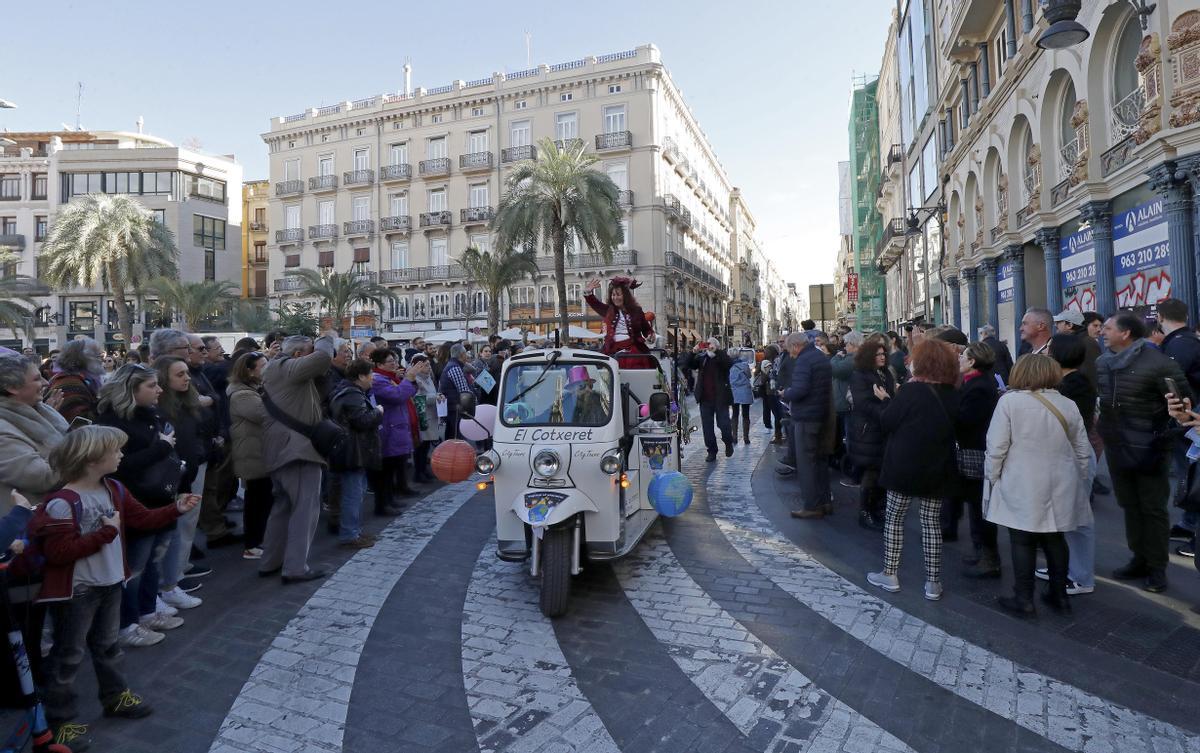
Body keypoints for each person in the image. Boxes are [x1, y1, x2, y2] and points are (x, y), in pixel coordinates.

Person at [30, 425, 199, 740]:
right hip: (76, 591)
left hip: (109, 584)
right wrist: (106, 533)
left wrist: (175, 509)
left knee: (108, 647)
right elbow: (59, 553)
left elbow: (143, 519)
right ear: (92, 459)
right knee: (68, 657)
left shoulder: (115, 489)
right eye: (116, 450)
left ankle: (115, 697)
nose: (122, 455)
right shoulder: (62, 502)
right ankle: (60, 722)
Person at [985, 355, 1092, 616]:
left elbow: (996, 447)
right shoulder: (1067, 404)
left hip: (1022, 479)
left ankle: (1023, 597)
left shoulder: (1009, 402)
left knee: (1022, 539)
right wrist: (1081, 477)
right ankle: (1059, 594)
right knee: (1055, 537)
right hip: (1061, 480)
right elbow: (1082, 449)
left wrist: (992, 477)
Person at [96, 364, 188, 649]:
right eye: (151, 386)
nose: (159, 390)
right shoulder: (114, 422)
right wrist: (161, 448)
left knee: (153, 561)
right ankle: (128, 623)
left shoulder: (152, 414)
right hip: (137, 503)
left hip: (161, 498)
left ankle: (148, 611)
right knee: (135, 566)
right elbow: (118, 468)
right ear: (130, 389)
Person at [1096, 312, 1187, 593]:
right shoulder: (1102, 362)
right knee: (1129, 505)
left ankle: (1156, 568)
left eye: (1108, 328)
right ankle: (1138, 558)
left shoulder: (1159, 364)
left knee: (1153, 509)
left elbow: (1183, 404)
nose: (1102, 332)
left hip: (1150, 448)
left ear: (1126, 333)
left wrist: (1169, 427)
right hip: (1117, 445)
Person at [867, 338, 960, 601]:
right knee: (931, 522)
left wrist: (885, 400)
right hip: (938, 462)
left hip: (904, 463)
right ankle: (933, 582)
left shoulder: (910, 391)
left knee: (895, 518)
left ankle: (890, 573)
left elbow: (887, 421)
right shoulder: (952, 393)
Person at [259, 333, 336, 583]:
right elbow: (324, 358)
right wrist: (327, 337)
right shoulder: (288, 367)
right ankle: (295, 568)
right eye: (308, 351)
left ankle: (271, 561)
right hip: (297, 450)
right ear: (298, 355)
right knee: (305, 509)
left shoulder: (276, 369)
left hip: (282, 449)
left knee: (282, 508)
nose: (313, 353)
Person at [154, 356, 215, 609]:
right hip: (171, 477)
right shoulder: (160, 408)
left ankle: (175, 577)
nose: (187, 378)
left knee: (184, 527)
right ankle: (167, 583)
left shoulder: (187, 402)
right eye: (179, 374)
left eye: (187, 373)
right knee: (170, 533)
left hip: (190, 470)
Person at [1044, 333, 1098, 594]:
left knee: (1078, 519)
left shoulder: (1074, 384)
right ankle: (1064, 566)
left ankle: (1081, 576)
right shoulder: (1067, 382)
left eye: (1049, 350)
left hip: (1075, 455)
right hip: (1066, 453)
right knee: (1065, 516)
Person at [955, 342, 1001, 578]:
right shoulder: (974, 383)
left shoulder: (979, 387)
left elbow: (967, 419)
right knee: (975, 504)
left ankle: (989, 556)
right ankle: (980, 550)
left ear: (973, 361)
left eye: (963, 355)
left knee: (979, 504)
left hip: (976, 450)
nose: (960, 358)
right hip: (973, 448)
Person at [0, 352, 68, 514]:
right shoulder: (3, 429)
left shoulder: (41, 410)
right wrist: (87, 455)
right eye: (37, 379)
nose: (45, 383)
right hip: (27, 528)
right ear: (12, 387)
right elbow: (40, 477)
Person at [1157, 298, 1200, 553]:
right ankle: (1189, 523)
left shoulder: (1181, 344)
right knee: (1190, 474)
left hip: (1191, 419)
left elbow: (1171, 378)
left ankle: (1194, 529)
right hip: (1189, 418)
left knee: (1193, 475)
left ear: (1161, 317)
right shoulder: (1184, 342)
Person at [330, 360, 383, 548]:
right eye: (370, 374)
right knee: (353, 494)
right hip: (352, 451)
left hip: (350, 450)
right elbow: (362, 421)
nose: (373, 377)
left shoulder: (348, 391)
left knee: (355, 492)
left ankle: (354, 532)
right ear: (360, 376)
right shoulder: (352, 394)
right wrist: (378, 412)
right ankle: (349, 535)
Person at [780, 331, 833, 518]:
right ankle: (825, 501)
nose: (791, 354)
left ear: (796, 346)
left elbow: (800, 390)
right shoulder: (819, 356)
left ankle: (812, 505)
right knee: (819, 461)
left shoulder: (804, 360)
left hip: (806, 416)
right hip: (821, 414)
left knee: (806, 463)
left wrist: (786, 393)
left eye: (790, 350)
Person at [227, 351, 273, 561]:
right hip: (252, 454)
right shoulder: (242, 394)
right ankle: (252, 544)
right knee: (256, 501)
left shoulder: (254, 389)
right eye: (263, 365)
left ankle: (259, 539)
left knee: (263, 499)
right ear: (249, 370)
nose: (267, 368)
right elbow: (264, 415)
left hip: (259, 452)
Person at [848, 335, 895, 530]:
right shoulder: (860, 375)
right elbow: (863, 403)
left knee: (881, 470)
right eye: (877, 355)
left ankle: (877, 508)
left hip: (882, 429)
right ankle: (865, 511)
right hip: (868, 430)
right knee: (871, 471)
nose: (882, 357)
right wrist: (886, 408)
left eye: (883, 354)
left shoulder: (886, 374)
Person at [370, 349, 422, 514]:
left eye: (395, 360)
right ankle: (382, 504)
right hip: (388, 429)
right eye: (390, 361)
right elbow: (398, 395)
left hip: (396, 427)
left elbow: (408, 392)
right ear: (379, 364)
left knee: (392, 467)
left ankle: (390, 500)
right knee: (385, 470)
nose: (395, 363)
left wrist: (409, 381)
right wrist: (409, 378)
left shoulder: (389, 378)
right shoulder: (378, 380)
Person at [584, 276, 656, 361]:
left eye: (618, 294)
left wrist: (650, 336)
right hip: (612, 351)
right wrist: (588, 292)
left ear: (625, 296)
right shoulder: (608, 310)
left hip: (634, 350)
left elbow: (646, 329)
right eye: (613, 295)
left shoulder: (637, 311)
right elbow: (595, 303)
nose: (615, 298)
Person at [689, 337, 735, 462]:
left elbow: (729, 363)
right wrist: (693, 351)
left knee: (724, 424)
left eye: (711, 344)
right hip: (705, 399)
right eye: (707, 343)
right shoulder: (702, 358)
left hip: (720, 398)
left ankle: (728, 442)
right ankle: (712, 451)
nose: (708, 346)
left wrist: (717, 352)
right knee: (707, 428)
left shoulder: (721, 357)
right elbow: (688, 364)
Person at [47, 338, 105, 423]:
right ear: (81, 358)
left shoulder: (78, 378)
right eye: (96, 356)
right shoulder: (70, 382)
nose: (101, 360)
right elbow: (78, 422)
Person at [830, 331, 861, 480]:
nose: (845, 347)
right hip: (844, 404)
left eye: (847, 344)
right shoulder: (850, 358)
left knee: (850, 439)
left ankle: (854, 471)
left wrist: (836, 357)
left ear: (854, 345)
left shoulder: (851, 359)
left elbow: (834, 369)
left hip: (847, 405)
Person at [409, 353, 440, 482]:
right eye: (425, 365)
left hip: (430, 414)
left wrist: (438, 395)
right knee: (420, 446)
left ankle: (423, 470)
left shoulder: (428, 377)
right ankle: (419, 472)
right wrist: (435, 397)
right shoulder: (415, 379)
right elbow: (417, 398)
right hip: (422, 415)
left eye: (429, 365)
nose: (429, 367)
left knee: (426, 445)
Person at [1053, 309, 1100, 387]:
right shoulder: (1072, 342)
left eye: (1059, 322)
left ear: (1069, 325)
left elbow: (1090, 374)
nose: (1055, 325)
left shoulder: (1087, 343)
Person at [438, 343, 473, 441]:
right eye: (466, 353)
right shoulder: (455, 367)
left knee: (452, 435)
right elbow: (464, 390)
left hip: (453, 407)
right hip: (455, 409)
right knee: (457, 438)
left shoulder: (453, 365)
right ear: (462, 354)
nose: (467, 355)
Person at [756, 345, 782, 444]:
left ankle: (777, 434)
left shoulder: (766, 362)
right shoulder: (777, 360)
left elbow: (765, 376)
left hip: (770, 390)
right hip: (773, 390)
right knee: (775, 412)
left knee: (774, 412)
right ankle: (776, 432)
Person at [729, 348, 754, 445]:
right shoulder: (744, 365)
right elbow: (749, 376)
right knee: (746, 414)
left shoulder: (729, 366)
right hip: (744, 391)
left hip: (734, 392)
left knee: (734, 414)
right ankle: (746, 437)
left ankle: (734, 436)